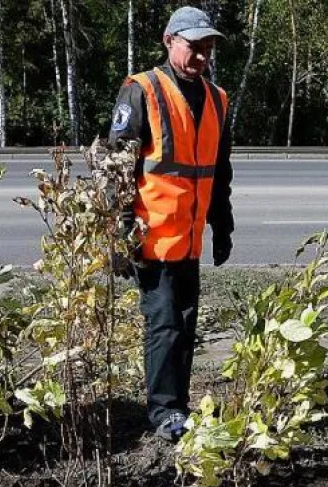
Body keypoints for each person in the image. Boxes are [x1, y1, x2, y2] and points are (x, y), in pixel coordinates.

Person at [107, 6, 234, 442]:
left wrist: (224, 223)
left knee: (186, 322)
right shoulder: (142, 89)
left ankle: (177, 404)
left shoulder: (217, 98)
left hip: (191, 238)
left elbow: (219, 169)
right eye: (193, 47)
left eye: (207, 48)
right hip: (152, 237)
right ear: (169, 41)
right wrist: (120, 234)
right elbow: (118, 169)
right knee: (164, 325)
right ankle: (164, 412)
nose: (200, 56)